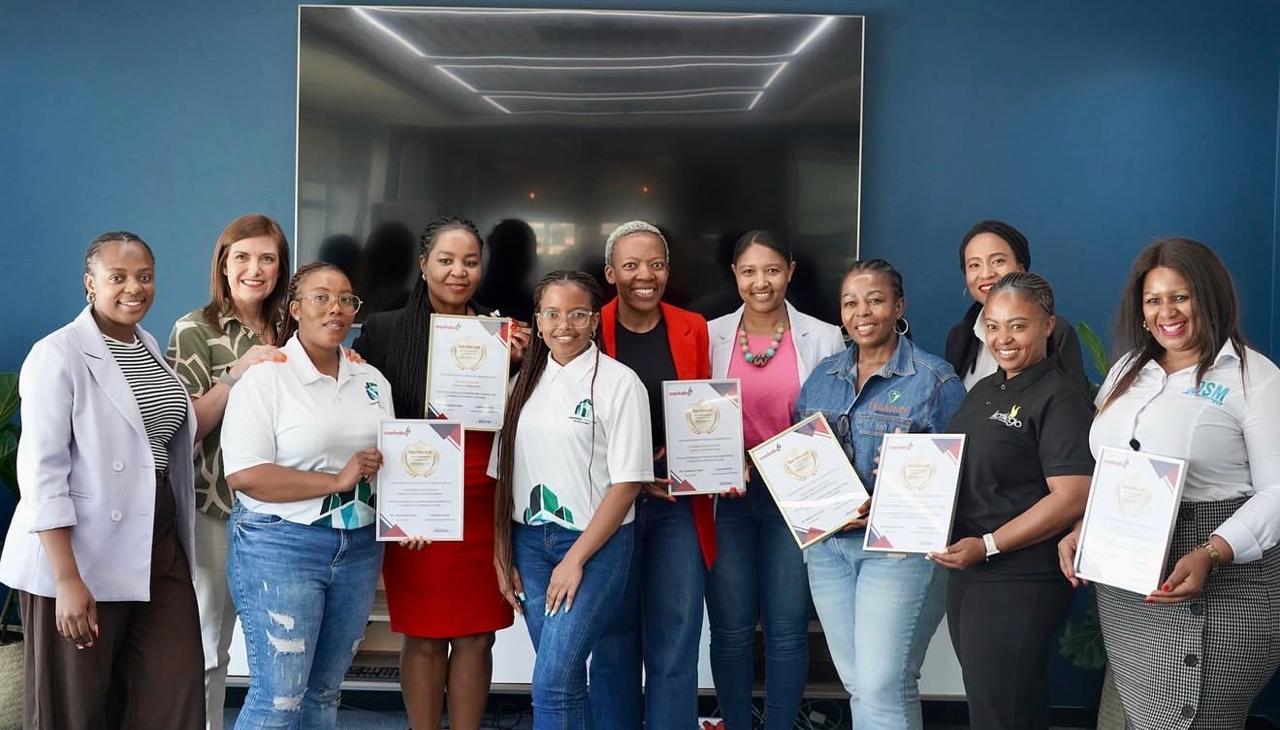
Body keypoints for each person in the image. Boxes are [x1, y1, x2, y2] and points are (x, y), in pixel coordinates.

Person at [1058, 238, 1280, 729]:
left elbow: (1277, 492)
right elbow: (1111, 467)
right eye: (1153, 300)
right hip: (1128, 589)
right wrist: (1082, 527)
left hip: (1216, 581)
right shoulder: (1127, 370)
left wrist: (1212, 551)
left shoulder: (1254, 376)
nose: (1167, 312)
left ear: (1210, 297)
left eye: (1181, 296)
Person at [0, 231, 204, 729]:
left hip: (158, 541)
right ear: (90, 283)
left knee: (172, 693)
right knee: (75, 708)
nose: (134, 287)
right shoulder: (58, 353)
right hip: (81, 550)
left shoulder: (147, 347)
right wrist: (67, 580)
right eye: (118, 277)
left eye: (145, 276)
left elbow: (162, 440)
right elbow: (42, 473)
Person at [353, 216, 530, 730]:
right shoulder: (385, 329)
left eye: (470, 262)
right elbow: (364, 413)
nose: (459, 272)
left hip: (483, 497)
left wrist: (516, 366)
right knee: (424, 634)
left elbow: (522, 415)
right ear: (423, 264)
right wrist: (398, 507)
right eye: (446, 260)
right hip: (418, 494)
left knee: (477, 634)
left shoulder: (504, 332)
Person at [221, 262, 394, 729]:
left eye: (346, 299)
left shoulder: (372, 380)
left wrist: (411, 516)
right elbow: (245, 475)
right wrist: (336, 482)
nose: (335, 308)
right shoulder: (266, 378)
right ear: (295, 309)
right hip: (281, 545)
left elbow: (390, 461)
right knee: (279, 700)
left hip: (358, 547)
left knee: (324, 694)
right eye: (321, 297)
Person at [794, 259, 965, 730]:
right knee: (861, 683)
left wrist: (885, 505)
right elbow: (802, 455)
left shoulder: (935, 380)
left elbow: (954, 476)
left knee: (880, 685)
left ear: (899, 306)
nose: (862, 312)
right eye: (850, 302)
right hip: (828, 549)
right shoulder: (823, 376)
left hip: (896, 551)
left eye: (875, 300)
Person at [931, 271, 1094, 730]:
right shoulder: (986, 389)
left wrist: (989, 544)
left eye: (1018, 326)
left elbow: (1072, 496)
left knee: (1003, 712)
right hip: (972, 572)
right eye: (993, 326)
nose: (1003, 339)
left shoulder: (1060, 398)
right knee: (996, 707)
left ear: (1048, 325)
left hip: (1019, 577)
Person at [490, 270, 653, 728]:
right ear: (538, 321)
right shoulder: (520, 384)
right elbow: (504, 476)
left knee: (553, 682)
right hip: (529, 544)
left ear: (595, 321)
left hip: (594, 546)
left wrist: (575, 559)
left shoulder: (621, 384)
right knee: (563, 679)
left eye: (578, 314)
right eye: (553, 314)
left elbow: (627, 484)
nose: (565, 325)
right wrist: (501, 553)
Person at [704, 230, 844, 730]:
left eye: (771, 270)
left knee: (787, 627)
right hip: (729, 496)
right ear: (734, 275)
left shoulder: (825, 336)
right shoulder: (710, 334)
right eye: (748, 271)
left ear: (790, 272)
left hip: (796, 494)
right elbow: (696, 414)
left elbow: (834, 418)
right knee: (731, 628)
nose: (760, 282)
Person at [166, 213, 291, 730]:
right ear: (223, 263)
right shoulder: (195, 329)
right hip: (216, 511)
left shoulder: (294, 328)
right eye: (242, 257)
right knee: (208, 646)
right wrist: (236, 375)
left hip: (284, 514)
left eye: (267, 258)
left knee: (283, 648)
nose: (254, 269)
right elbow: (186, 429)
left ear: (281, 267)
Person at [588, 221, 714, 730]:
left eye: (656, 264)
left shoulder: (693, 326)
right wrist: (635, 474)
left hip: (677, 503)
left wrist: (706, 457)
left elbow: (705, 410)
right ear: (610, 273)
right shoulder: (589, 325)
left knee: (676, 640)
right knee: (612, 640)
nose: (646, 275)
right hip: (608, 501)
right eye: (631, 265)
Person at [944, 220, 1088, 394]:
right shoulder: (960, 336)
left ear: (1021, 268)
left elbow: (1070, 400)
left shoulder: (1055, 332)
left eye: (998, 261)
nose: (986, 274)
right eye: (974, 265)